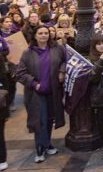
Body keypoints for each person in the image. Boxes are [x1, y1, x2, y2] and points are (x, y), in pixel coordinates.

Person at [17, 26, 66, 163]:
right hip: (36, 93)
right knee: (40, 120)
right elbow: (20, 73)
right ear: (35, 36)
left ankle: (47, 143)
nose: (44, 35)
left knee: (50, 119)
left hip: (53, 91)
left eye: (46, 33)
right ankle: (40, 147)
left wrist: (62, 72)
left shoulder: (57, 49)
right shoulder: (28, 52)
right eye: (41, 33)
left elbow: (64, 61)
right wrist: (33, 83)